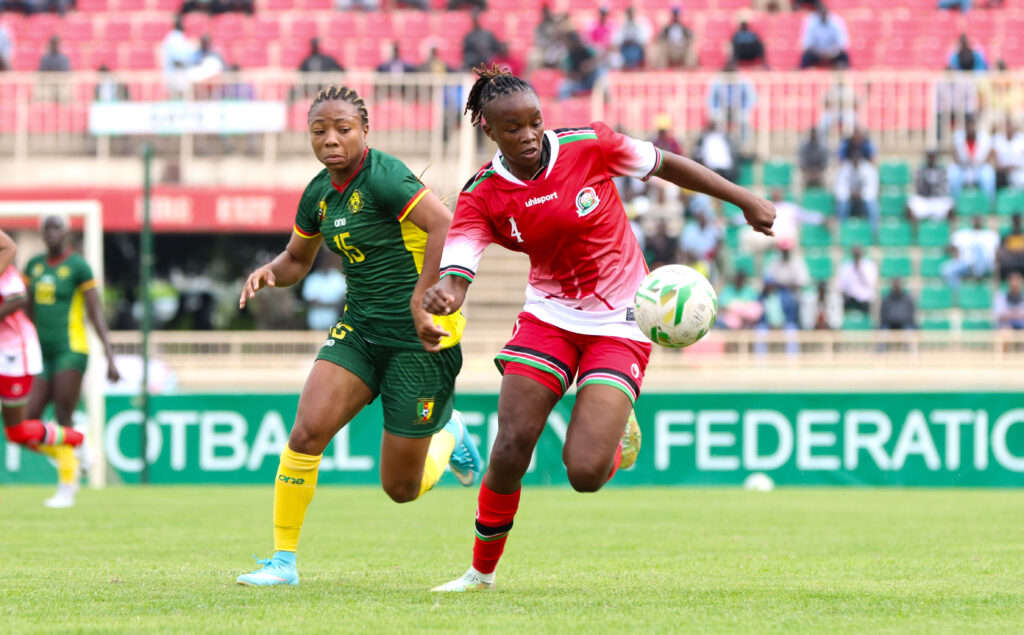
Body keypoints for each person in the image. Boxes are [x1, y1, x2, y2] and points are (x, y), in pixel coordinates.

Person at [423, 65, 775, 592]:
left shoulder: (590, 145)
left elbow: (666, 165)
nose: (528, 135)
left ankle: (618, 435)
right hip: (549, 318)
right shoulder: (483, 193)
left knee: (585, 473)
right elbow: (459, 266)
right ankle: (481, 573)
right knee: (511, 446)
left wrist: (743, 198)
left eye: (534, 121)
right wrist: (447, 294)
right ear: (489, 132)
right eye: (512, 128)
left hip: (623, 320)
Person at [234, 85, 482, 587]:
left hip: (423, 337)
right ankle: (283, 562)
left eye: (343, 129)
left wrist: (421, 299)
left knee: (400, 488)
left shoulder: (386, 176)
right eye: (319, 131)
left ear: (364, 131)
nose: (331, 140)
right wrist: (269, 273)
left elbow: (444, 224)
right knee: (306, 433)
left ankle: (450, 434)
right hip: (361, 329)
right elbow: (297, 261)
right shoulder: (318, 193)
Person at [24, 216, 119, 508]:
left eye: (57, 228)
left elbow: (95, 313)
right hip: (40, 353)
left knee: (63, 414)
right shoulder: (34, 266)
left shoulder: (78, 266)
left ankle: (67, 487)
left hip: (71, 350)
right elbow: (26, 313)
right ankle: (80, 440)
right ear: (41, 234)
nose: (52, 234)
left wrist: (110, 356)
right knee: (27, 423)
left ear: (66, 233)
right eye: (47, 229)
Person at [0, 230, 87, 508]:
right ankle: (76, 443)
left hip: (15, 353)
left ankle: (78, 440)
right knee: (16, 434)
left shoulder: (5, 266)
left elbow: (18, 298)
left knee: (19, 430)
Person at [948, 114, 995, 202]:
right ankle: (954, 202)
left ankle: (989, 202)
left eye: (972, 125)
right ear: (965, 127)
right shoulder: (958, 137)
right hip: (963, 168)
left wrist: (982, 161)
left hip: (979, 168)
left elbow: (991, 152)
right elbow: (954, 152)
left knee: (988, 173)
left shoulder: (984, 137)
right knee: (953, 173)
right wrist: (963, 161)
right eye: (968, 126)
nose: (970, 128)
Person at [943, 216, 999, 289]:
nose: (977, 221)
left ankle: (978, 274)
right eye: (975, 218)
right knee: (947, 270)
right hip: (966, 264)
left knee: (979, 249)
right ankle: (957, 295)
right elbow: (950, 247)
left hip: (986, 266)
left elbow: (997, 254)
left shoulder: (990, 235)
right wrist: (956, 253)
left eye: (978, 218)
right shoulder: (962, 234)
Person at [834, 148, 880, 231]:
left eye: (857, 157)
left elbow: (872, 188)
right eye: (853, 158)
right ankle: (840, 231)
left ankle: (874, 231)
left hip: (864, 197)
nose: (855, 160)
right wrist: (850, 194)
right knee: (842, 205)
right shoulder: (844, 169)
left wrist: (861, 194)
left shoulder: (868, 169)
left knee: (872, 205)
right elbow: (840, 188)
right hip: (849, 198)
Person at [301, 254, 347, 331]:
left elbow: (343, 298)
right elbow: (310, 300)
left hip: (334, 317)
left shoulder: (338, 278)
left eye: (327, 264)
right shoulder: (312, 278)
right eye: (323, 264)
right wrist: (329, 303)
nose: (325, 266)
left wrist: (322, 303)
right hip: (315, 319)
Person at [799, 2, 849, 70]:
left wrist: (830, 53)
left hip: (833, 54)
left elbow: (842, 44)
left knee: (844, 56)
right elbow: (807, 44)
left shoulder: (836, 22)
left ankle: (844, 73)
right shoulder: (811, 22)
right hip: (816, 53)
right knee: (805, 57)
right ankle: (803, 74)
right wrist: (820, 53)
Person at [908, 149, 955, 220]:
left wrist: (935, 190)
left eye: (933, 157)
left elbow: (944, 188)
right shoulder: (921, 171)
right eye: (930, 157)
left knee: (950, 204)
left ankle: (947, 229)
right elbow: (918, 188)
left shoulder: (942, 171)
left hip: (937, 200)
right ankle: (916, 230)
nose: (931, 159)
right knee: (910, 204)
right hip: (924, 200)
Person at [836, 245, 877, 314]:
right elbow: (841, 285)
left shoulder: (869, 265)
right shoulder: (846, 266)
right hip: (850, 298)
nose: (857, 255)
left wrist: (860, 271)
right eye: (855, 253)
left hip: (865, 298)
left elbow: (871, 282)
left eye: (858, 253)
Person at [997, 213, 1024, 281]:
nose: (1016, 222)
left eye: (1018, 220)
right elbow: (1002, 251)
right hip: (1009, 264)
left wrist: (1014, 250)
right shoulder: (1007, 236)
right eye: (1015, 220)